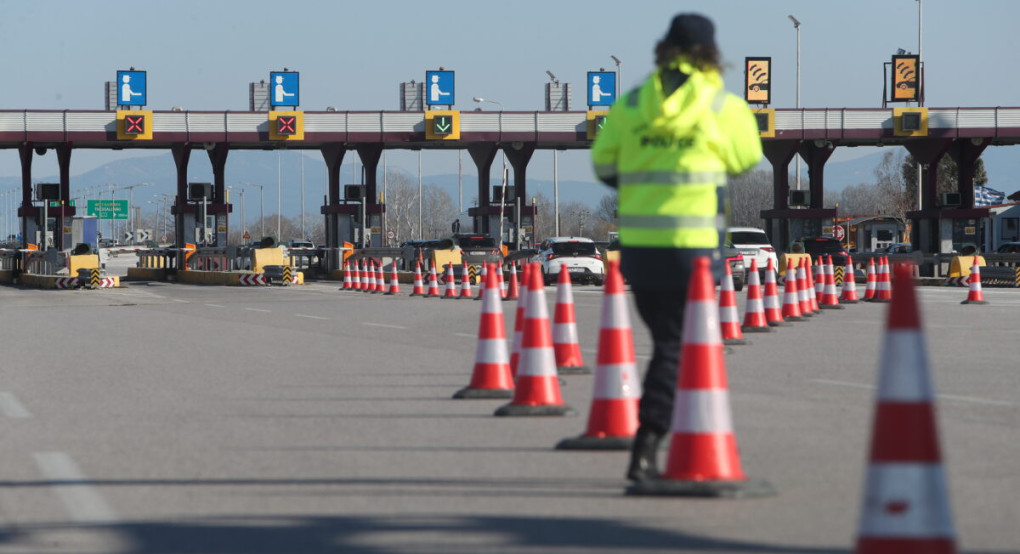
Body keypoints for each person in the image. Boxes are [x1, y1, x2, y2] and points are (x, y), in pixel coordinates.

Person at [590, 13, 763, 481]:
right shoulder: (721, 106)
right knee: (677, 346)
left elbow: (604, 167)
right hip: (693, 249)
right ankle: (649, 441)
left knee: (669, 342)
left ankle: (666, 437)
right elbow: (746, 157)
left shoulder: (630, 105)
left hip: (641, 252)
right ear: (711, 54)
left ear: (663, 49)